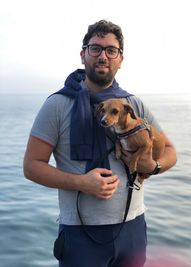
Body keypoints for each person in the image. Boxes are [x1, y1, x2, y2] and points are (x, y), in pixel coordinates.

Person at [23, 20, 177, 267]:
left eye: (111, 50)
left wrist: (153, 165)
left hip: (133, 228)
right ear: (83, 55)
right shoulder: (57, 105)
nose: (103, 56)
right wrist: (81, 183)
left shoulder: (133, 104)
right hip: (80, 233)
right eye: (95, 48)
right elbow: (31, 166)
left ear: (120, 59)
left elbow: (170, 151)